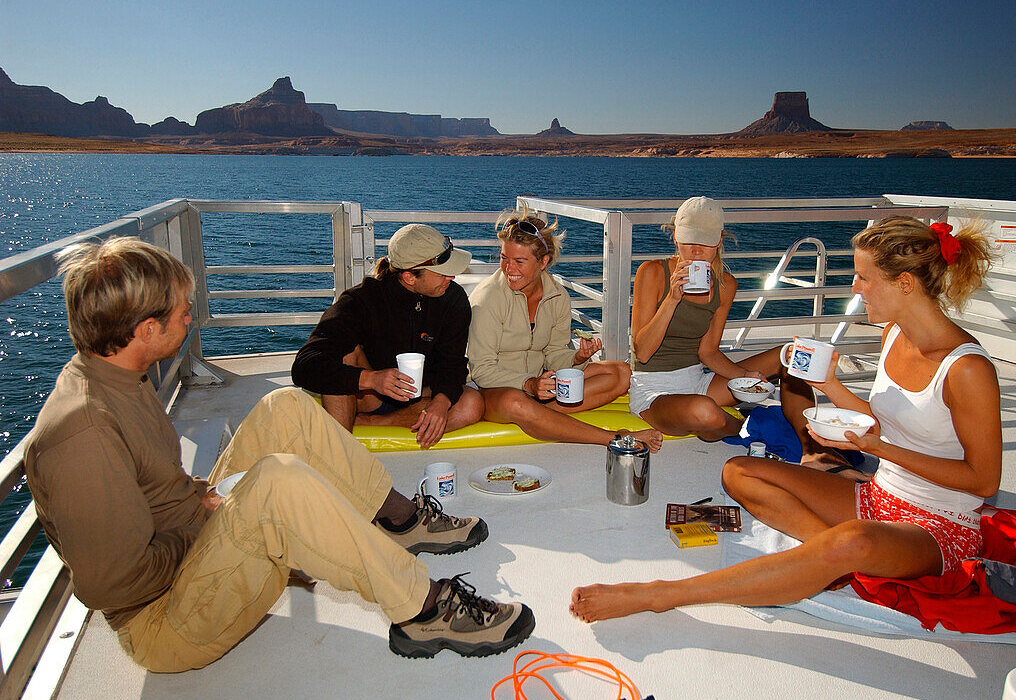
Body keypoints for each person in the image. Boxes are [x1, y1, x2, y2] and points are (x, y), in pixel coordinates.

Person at [24, 237, 533, 672]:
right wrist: (215, 516)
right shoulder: (82, 434)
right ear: (145, 329)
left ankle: (404, 520)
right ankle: (424, 610)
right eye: (181, 308)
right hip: (165, 620)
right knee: (276, 482)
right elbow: (115, 586)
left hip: (189, 534)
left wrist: (205, 503)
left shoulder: (117, 376)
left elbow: (159, 498)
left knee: (284, 407)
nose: (190, 315)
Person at [571, 216, 999, 622]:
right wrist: (830, 384)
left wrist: (879, 450)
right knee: (738, 472)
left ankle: (662, 595)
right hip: (876, 497)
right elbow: (881, 420)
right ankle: (824, 555)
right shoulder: (894, 335)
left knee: (853, 541)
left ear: (904, 284)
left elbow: (983, 482)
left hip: (938, 526)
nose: (855, 287)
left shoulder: (967, 369)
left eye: (864, 278)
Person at [629, 196, 853, 474]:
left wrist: (744, 376)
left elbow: (707, 352)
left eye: (705, 242)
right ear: (674, 236)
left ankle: (813, 450)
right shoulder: (652, 272)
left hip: (699, 380)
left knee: (791, 355)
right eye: (688, 240)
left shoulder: (725, 285)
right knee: (705, 412)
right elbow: (642, 352)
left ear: (719, 240)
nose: (696, 251)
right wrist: (672, 299)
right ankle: (751, 428)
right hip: (654, 390)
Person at [467, 206, 662, 451]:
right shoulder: (488, 298)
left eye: (519, 261)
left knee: (621, 372)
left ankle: (541, 417)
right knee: (516, 403)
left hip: (539, 388)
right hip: (495, 392)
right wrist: (529, 384)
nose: (508, 268)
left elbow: (554, 353)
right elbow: (481, 370)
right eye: (504, 258)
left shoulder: (557, 296)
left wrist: (577, 357)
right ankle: (613, 438)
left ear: (543, 262)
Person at [292, 223, 483, 448]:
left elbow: (453, 366)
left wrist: (441, 402)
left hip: (421, 397)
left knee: (473, 403)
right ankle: (340, 453)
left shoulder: (453, 299)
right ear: (409, 277)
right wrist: (372, 379)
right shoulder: (361, 301)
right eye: (443, 272)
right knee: (344, 354)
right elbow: (304, 367)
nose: (451, 276)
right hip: (371, 396)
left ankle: (375, 424)